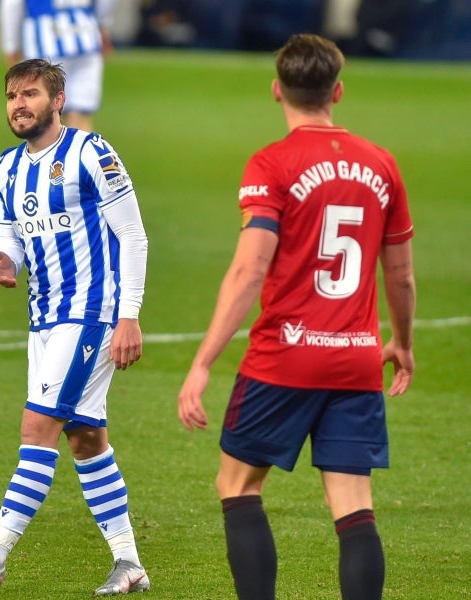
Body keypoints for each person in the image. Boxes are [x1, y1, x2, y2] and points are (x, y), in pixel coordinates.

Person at [176, 33, 415, 600]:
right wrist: (401, 341)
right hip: (357, 361)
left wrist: (203, 361)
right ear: (338, 90)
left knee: (238, 486)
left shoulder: (272, 163)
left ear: (276, 90)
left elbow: (248, 271)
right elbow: (400, 276)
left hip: (283, 359)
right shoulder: (382, 165)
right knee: (354, 506)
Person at [0, 59, 150, 595]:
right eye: (11, 95)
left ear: (57, 99)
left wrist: (129, 316)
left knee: (37, 429)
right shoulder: (5, 168)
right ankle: (129, 563)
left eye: (30, 94)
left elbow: (134, 236)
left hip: (92, 313)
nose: (18, 104)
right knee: (85, 437)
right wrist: (7, 261)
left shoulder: (91, 153)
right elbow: (10, 232)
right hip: (44, 318)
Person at [0, 0, 115, 133]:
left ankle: (51, 153)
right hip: (85, 37)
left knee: (44, 118)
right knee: (80, 118)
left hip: (44, 43)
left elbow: (12, 5)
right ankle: (79, 152)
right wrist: (103, 26)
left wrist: (11, 45)